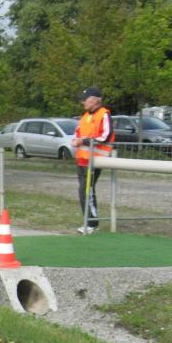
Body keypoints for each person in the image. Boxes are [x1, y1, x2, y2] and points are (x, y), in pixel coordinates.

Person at [71, 86, 114, 234]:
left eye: (85, 99)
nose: (83, 102)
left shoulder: (104, 114)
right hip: (82, 159)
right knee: (84, 190)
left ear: (95, 100)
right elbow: (78, 133)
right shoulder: (85, 116)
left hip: (95, 160)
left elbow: (106, 136)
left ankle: (91, 223)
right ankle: (89, 222)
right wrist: (75, 140)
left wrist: (83, 141)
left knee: (86, 190)